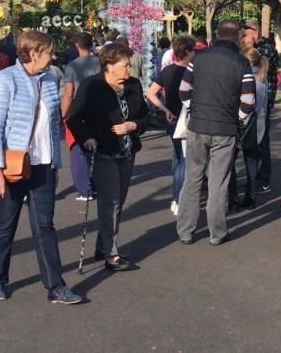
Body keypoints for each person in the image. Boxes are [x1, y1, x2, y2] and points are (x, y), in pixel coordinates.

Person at [0, 31, 81, 304]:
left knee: (45, 226)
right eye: (49, 51)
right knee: (5, 224)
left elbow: (52, 127)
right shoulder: (4, 80)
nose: (54, 56)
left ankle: (56, 286)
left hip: (42, 165)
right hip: (12, 165)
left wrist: (55, 164)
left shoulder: (50, 80)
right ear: (34, 52)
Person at [66, 43, 146, 273]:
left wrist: (133, 125)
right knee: (109, 201)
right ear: (109, 65)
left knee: (118, 201)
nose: (129, 69)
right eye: (124, 65)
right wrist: (87, 138)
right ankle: (111, 253)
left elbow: (143, 117)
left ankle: (103, 245)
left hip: (128, 151)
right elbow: (73, 117)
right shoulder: (93, 86)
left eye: (129, 65)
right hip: (104, 151)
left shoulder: (134, 85)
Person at [176, 20, 256, 246]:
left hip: (197, 127)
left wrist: (194, 108)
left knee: (191, 181)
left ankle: (185, 231)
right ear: (238, 37)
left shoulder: (198, 59)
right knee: (219, 184)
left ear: (218, 35)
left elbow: (183, 91)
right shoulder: (242, 63)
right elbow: (248, 102)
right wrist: (237, 119)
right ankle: (217, 233)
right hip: (225, 129)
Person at [146, 34, 196, 216]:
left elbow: (150, 93)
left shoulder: (167, 71)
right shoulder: (193, 72)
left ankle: (177, 196)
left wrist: (164, 109)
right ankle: (178, 197)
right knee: (184, 161)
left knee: (177, 158)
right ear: (188, 51)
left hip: (173, 118)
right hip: (188, 119)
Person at [60, 32, 101, 201]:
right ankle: (96, 185)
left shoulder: (72, 66)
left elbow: (68, 94)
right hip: (99, 110)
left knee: (78, 149)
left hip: (78, 110)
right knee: (98, 148)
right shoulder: (101, 62)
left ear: (77, 46)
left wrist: (64, 114)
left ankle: (84, 189)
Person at [228, 47, 268, 210]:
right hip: (256, 125)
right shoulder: (263, 78)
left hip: (240, 124)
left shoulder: (246, 78)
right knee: (251, 161)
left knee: (229, 162)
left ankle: (233, 197)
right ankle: (251, 195)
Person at [241, 22, 279, 192]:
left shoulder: (264, 51)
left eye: (245, 36)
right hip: (257, 102)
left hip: (261, 102)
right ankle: (256, 177)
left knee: (261, 141)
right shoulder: (260, 51)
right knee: (254, 142)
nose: (242, 40)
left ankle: (263, 178)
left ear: (255, 35)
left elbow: (258, 72)